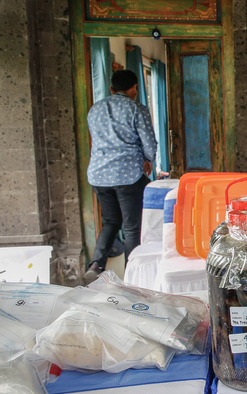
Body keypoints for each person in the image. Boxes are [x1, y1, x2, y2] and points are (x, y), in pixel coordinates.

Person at [84, 69, 157, 284]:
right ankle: (132, 276)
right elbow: (149, 143)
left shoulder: (95, 110)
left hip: (99, 175)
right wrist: (148, 160)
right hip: (128, 176)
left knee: (110, 221)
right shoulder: (136, 109)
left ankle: (96, 264)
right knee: (132, 226)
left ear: (111, 88)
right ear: (134, 88)